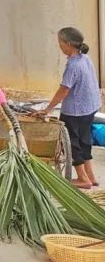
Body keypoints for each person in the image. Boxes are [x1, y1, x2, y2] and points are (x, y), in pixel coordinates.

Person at [34, 27, 100, 189]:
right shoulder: (86, 58)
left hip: (75, 110)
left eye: (60, 43)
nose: (59, 46)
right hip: (90, 106)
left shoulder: (73, 65)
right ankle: (91, 177)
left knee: (71, 144)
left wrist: (47, 109)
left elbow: (64, 90)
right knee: (85, 141)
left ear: (68, 44)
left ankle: (83, 178)